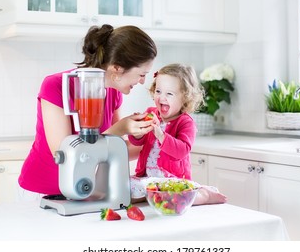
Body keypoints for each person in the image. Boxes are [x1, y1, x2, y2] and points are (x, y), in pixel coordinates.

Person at [18, 24, 157, 197]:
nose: (143, 81)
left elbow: (116, 151)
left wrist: (152, 137)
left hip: (85, 192)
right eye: (142, 74)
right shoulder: (55, 86)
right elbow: (64, 154)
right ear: (117, 68)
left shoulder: (113, 92)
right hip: (43, 191)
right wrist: (121, 127)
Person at [128, 63, 227, 205]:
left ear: (185, 98)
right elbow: (138, 141)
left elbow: (182, 151)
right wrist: (137, 132)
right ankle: (149, 195)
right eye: (158, 91)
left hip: (173, 180)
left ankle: (204, 194)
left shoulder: (186, 123)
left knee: (176, 198)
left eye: (169, 93)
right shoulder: (151, 113)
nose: (162, 98)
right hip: (147, 178)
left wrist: (161, 135)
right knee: (125, 189)